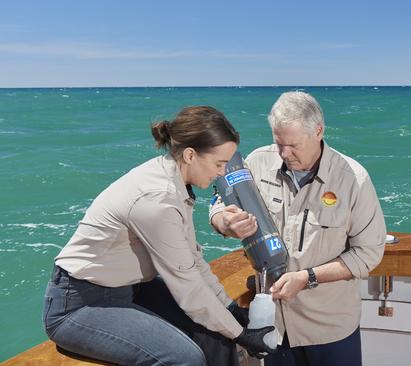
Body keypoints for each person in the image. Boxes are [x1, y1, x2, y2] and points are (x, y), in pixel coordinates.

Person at [43, 106, 275, 366]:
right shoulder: (158, 199)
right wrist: (242, 334)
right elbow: (188, 288)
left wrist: (231, 310)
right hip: (81, 304)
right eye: (219, 163)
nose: (222, 173)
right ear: (190, 155)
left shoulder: (176, 181)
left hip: (132, 288)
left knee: (216, 335)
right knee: (183, 358)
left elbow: (194, 261)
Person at [210, 92, 386, 366]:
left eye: (293, 145)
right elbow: (221, 199)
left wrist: (307, 278)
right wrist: (223, 221)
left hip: (330, 329)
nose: (284, 153)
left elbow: (368, 253)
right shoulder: (257, 162)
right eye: (278, 143)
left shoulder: (354, 179)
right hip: (274, 327)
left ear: (318, 131)